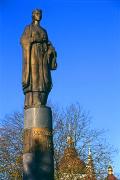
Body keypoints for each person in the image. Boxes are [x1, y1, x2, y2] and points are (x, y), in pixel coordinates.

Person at [21, 9, 57, 108]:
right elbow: (23, 40)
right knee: (35, 77)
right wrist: (34, 39)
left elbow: (48, 43)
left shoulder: (44, 30)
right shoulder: (28, 28)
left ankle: (43, 100)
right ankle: (35, 101)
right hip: (33, 55)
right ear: (33, 15)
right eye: (37, 14)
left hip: (43, 57)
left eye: (40, 14)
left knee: (45, 79)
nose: (39, 15)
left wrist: (51, 50)